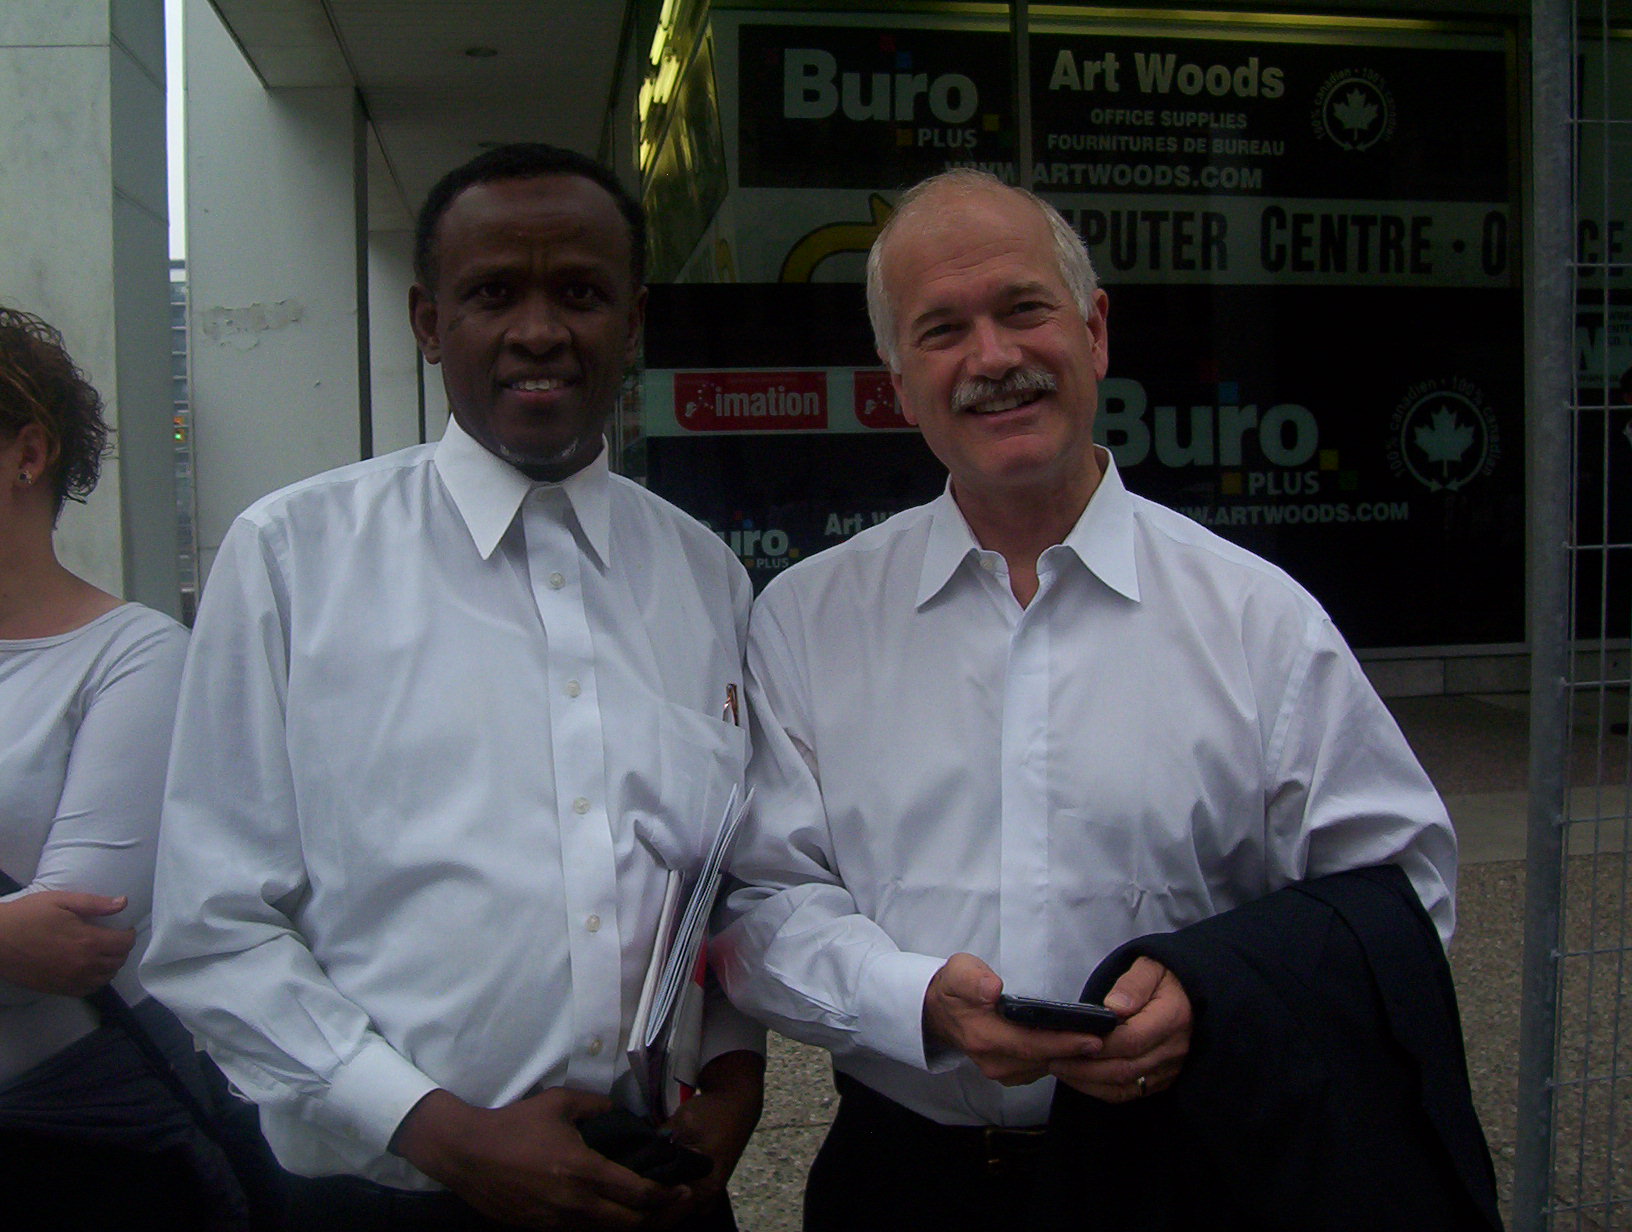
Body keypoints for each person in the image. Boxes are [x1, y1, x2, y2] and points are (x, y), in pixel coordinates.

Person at [713, 169, 1461, 1229]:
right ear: (894, 381)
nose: (994, 358)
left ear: (1096, 330)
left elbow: (1403, 885)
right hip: (903, 1183)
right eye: (942, 329)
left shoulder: (1257, 618)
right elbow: (761, 902)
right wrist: (917, 1000)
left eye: (1024, 308)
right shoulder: (805, 619)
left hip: (1183, 1172)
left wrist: (1218, 993)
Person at [143, 144, 764, 1231]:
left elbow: (728, 877)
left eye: (579, 291)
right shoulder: (293, 559)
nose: (538, 329)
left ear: (634, 319)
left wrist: (737, 1074)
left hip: (657, 1191)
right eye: (492, 293)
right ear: (430, 323)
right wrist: (435, 1125)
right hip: (389, 1195)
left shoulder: (707, 574)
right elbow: (212, 925)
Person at [0, 305, 246, 1225]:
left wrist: (20, 940)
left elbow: (68, 940)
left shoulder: (135, 657)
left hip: (69, 1150)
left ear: (30, 452)